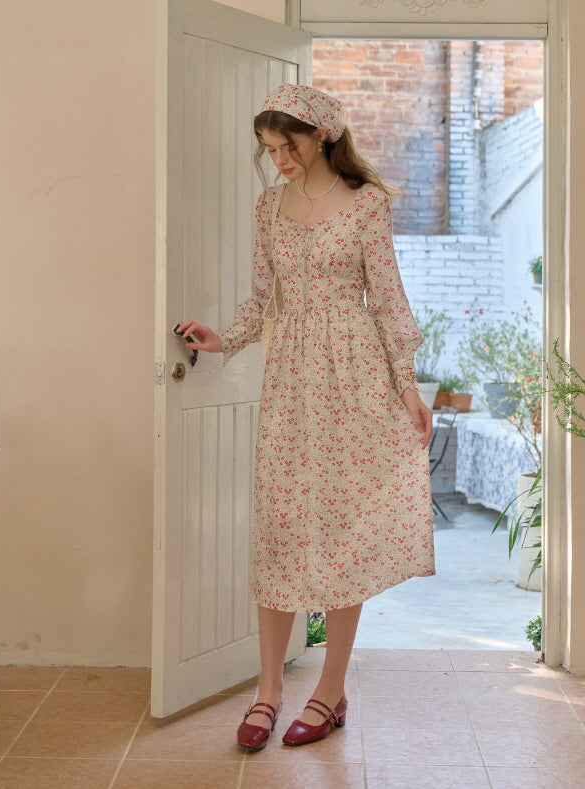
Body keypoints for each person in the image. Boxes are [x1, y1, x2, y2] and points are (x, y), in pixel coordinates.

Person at [176, 84, 435, 751]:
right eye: (268, 150)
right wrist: (223, 338)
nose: (278, 160)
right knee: (282, 528)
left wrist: (406, 386)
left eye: (285, 146)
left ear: (320, 134)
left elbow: (387, 299)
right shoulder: (270, 207)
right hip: (291, 382)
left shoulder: (367, 205)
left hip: (356, 382)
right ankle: (268, 691)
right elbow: (262, 296)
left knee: (345, 533)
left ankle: (329, 688)